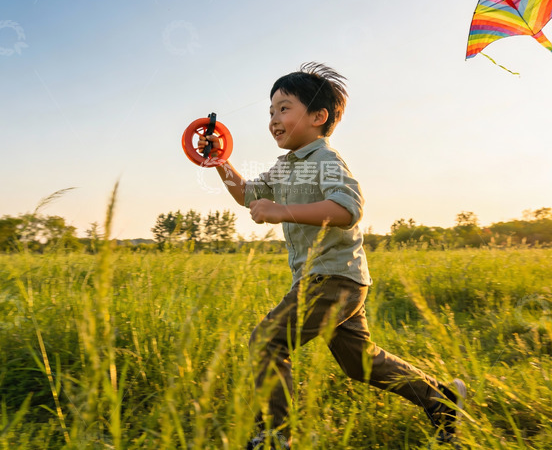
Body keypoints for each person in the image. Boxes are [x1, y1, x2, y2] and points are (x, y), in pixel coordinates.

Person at [198, 62, 466, 449]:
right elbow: (247, 194)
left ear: (318, 116)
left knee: (267, 342)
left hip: (333, 279)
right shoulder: (286, 166)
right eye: (270, 111)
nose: (273, 119)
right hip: (332, 280)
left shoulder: (325, 161)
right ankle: (440, 398)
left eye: (284, 108)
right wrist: (219, 160)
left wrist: (282, 211)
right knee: (360, 363)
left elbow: (346, 210)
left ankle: (275, 437)